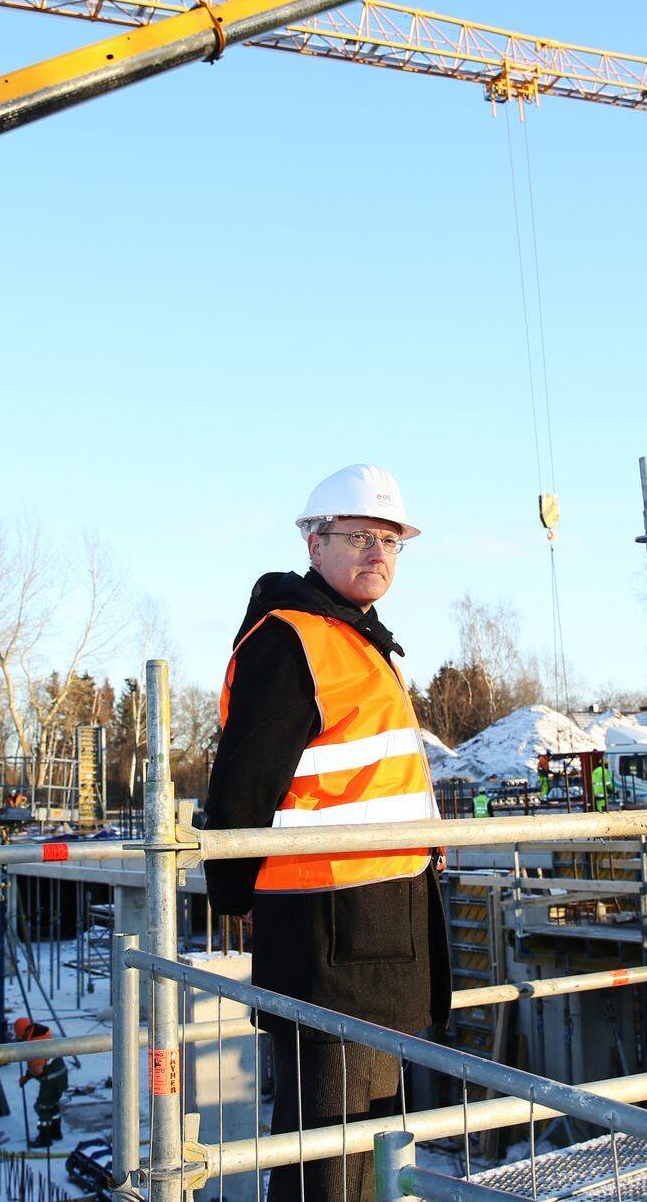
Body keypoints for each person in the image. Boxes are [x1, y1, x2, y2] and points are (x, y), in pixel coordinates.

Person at [204, 463, 450, 1202]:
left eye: (390, 540)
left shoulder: (355, 641)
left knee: (363, 1138)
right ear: (315, 545)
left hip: (376, 924)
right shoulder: (294, 641)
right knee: (333, 1149)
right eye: (358, 537)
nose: (378, 552)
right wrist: (234, 890)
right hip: (331, 936)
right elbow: (243, 783)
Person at [13, 1016, 68, 1146]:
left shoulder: (36, 1044)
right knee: (53, 1105)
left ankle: (44, 1138)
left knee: (42, 1108)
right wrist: (27, 1076)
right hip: (61, 1075)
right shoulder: (43, 1034)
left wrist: (27, 1076)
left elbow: (37, 1070)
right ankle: (56, 1132)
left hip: (50, 1081)